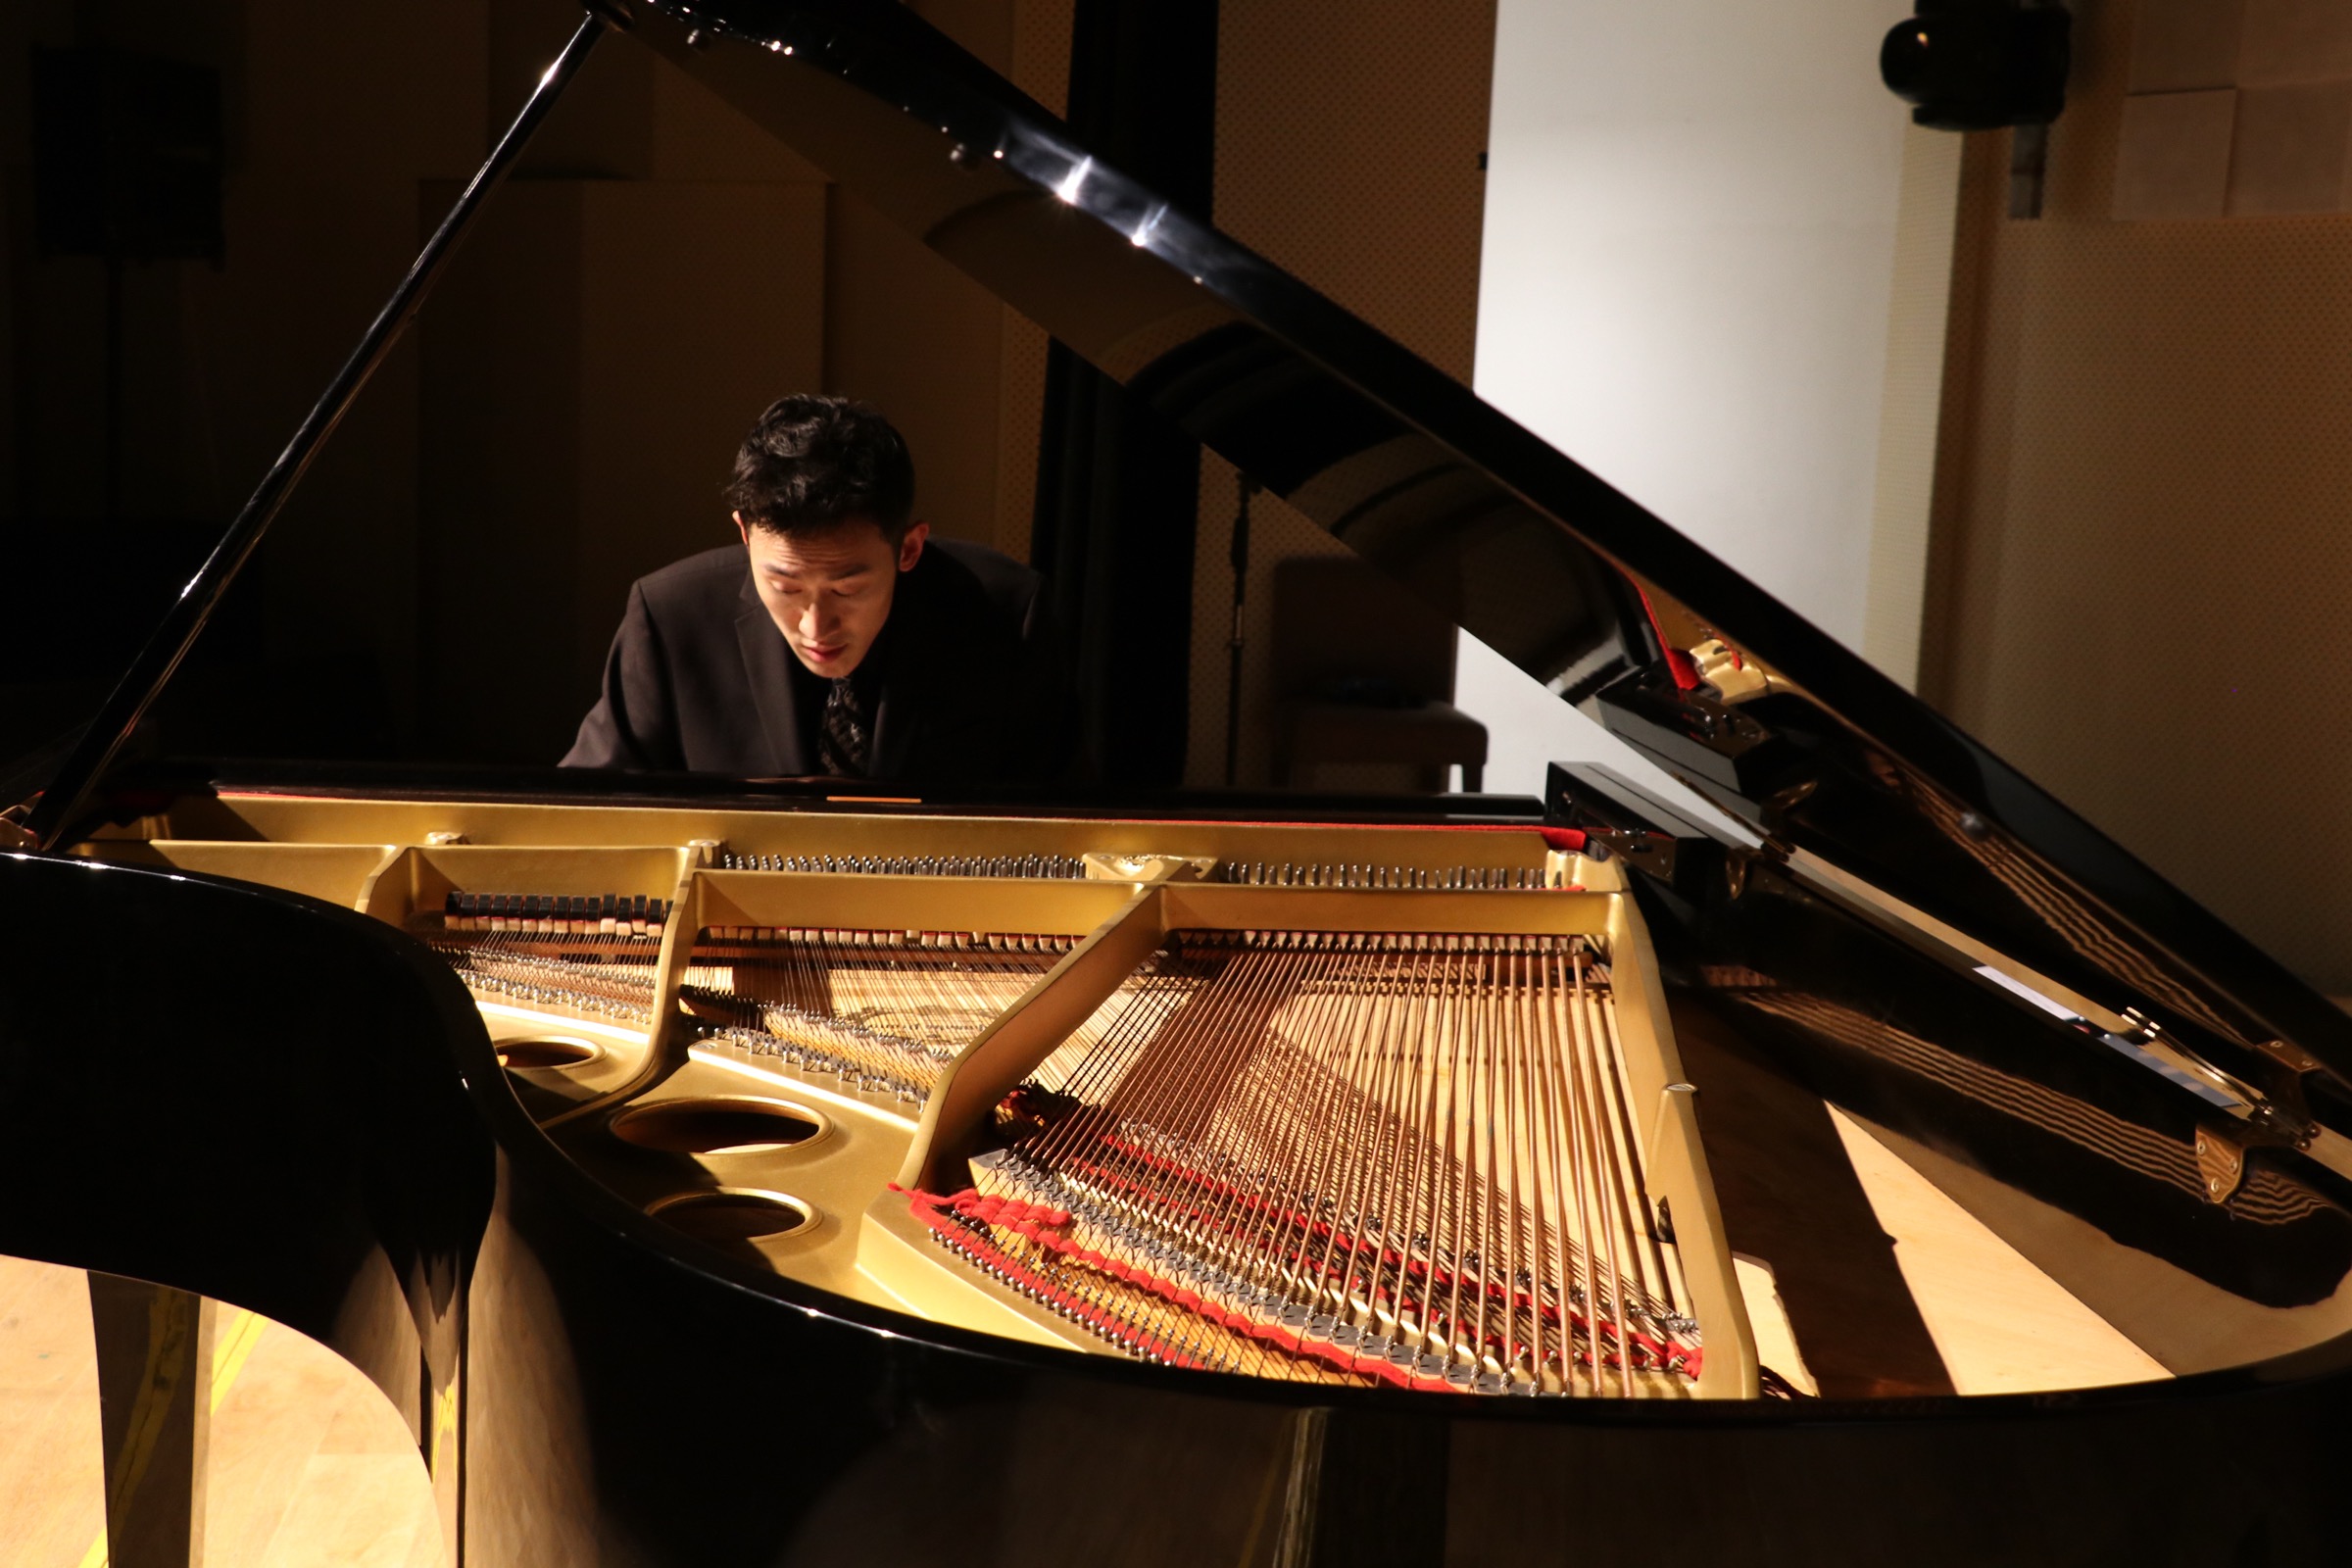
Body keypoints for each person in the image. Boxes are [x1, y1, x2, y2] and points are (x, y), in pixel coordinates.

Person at [563, 395, 1073, 783]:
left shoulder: (1007, 613)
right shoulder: (670, 617)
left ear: (909, 549)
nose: (815, 626)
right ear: (744, 534)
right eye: (784, 585)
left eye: (847, 590)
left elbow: (1068, 819)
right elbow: (590, 810)